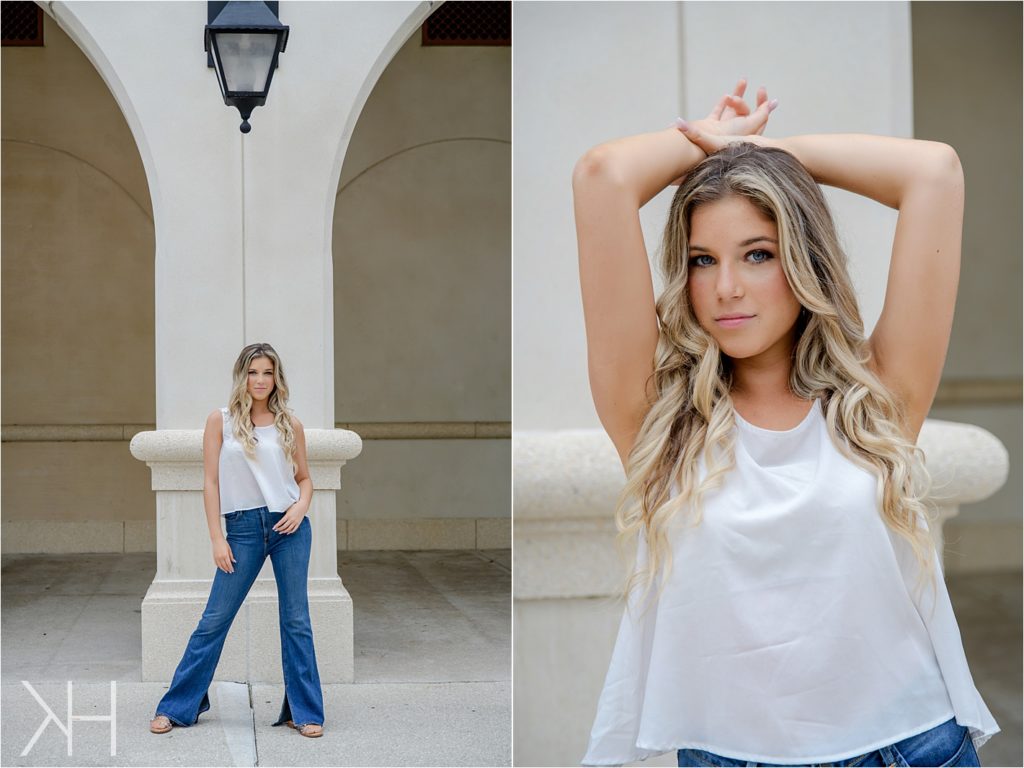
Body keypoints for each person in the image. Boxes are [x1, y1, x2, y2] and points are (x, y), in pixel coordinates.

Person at [572, 81, 998, 767]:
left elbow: (934, 172)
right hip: (729, 755)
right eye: (702, 260)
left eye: (758, 254)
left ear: (803, 261)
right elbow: (602, 177)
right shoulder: (659, 416)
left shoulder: (876, 399)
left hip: (910, 748)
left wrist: (766, 153)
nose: (727, 288)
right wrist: (708, 136)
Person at [149, 342, 325, 738]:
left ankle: (304, 711)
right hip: (242, 529)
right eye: (252, 372)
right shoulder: (221, 421)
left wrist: (301, 508)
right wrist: (217, 537)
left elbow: (304, 479)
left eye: (267, 372)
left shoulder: (289, 425)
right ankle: (177, 706)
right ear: (241, 376)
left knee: (296, 620)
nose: (260, 380)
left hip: (289, 528)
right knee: (213, 620)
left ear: (276, 378)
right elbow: (210, 483)